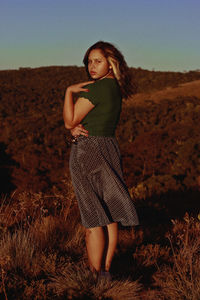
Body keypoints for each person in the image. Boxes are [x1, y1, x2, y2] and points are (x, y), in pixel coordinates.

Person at [63, 41, 139, 279]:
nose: (92, 67)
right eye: (89, 62)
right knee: (110, 209)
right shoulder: (114, 87)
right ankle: (106, 268)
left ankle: (95, 275)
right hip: (109, 147)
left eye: (98, 61)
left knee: (93, 217)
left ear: (110, 63)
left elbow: (69, 120)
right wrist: (76, 127)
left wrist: (68, 92)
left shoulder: (96, 89)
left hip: (88, 150)